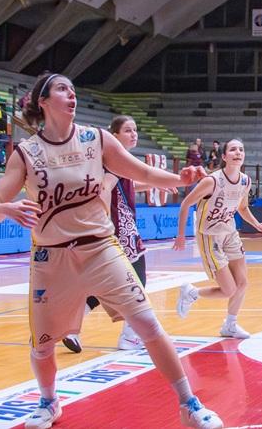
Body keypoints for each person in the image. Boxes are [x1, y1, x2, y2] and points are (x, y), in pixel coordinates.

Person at [0, 72, 222, 429]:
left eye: (73, 89)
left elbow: (140, 171)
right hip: (52, 259)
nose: (71, 94)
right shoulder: (26, 153)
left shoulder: (96, 139)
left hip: (100, 249)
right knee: (43, 346)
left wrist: (180, 179)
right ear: (44, 102)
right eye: (62, 89)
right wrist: (7, 209)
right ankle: (49, 403)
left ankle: (189, 404)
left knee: (149, 325)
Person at [62, 116, 162, 353]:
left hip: (116, 229)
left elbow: (127, 184)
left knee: (102, 285)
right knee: (138, 282)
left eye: (135, 130)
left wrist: (153, 185)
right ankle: (129, 336)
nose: (134, 134)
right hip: (121, 230)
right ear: (114, 136)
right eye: (128, 130)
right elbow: (106, 188)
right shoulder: (115, 161)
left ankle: (70, 328)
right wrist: (105, 221)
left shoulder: (116, 162)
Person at [174, 139, 262, 338]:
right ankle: (191, 293)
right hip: (210, 236)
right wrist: (181, 235)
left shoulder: (245, 180)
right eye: (233, 149)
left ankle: (230, 325)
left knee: (242, 284)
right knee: (229, 289)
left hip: (230, 233)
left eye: (241, 149)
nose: (238, 152)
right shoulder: (212, 181)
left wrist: (257, 224)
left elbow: (242, 208)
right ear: (224, 157)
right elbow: (185, 205)